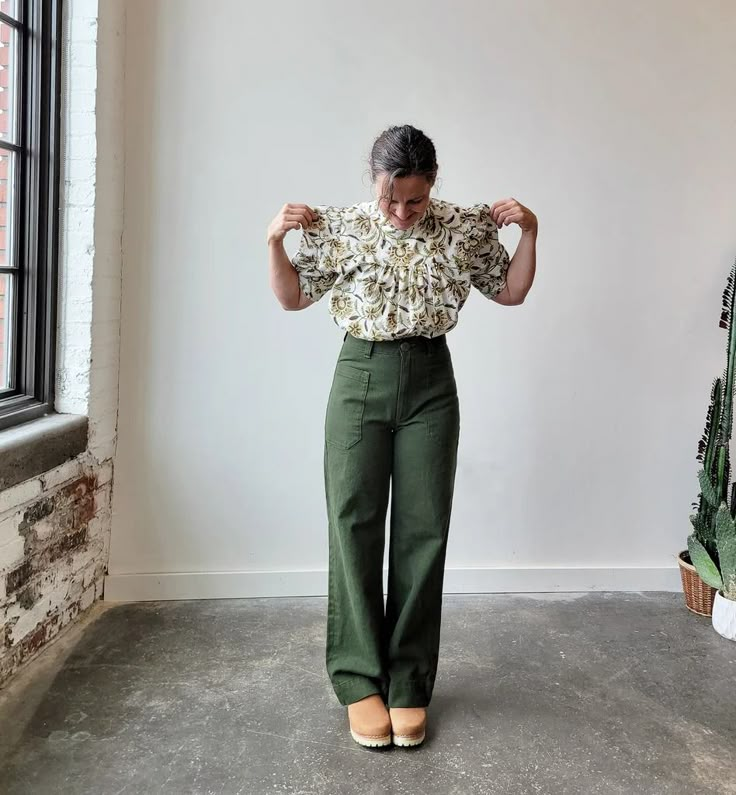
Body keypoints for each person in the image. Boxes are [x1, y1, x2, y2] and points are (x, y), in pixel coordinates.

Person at [267, 124, 537, 749]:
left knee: (424, 530)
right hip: (360, 375)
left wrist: (530, 231)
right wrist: (275, 241)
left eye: (414, 200)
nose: (401, 213)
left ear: (432, 183)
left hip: (431, 382)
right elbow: (291, 298)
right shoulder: (341, 227)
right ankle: (360, 679)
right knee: (353, 522)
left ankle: (410, 681)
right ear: (374, 180)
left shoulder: (463, 227)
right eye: (391, 198)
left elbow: (513, 290)